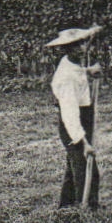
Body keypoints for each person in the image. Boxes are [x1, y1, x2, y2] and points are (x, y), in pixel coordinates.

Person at [47, 25, 103, 210]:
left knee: (73, 171)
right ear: (66, 49)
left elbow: (77, 73)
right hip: (73, 127)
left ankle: (65, 210)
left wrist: (88, 71)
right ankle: (88, 212)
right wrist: (83, 142)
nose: (81, 48)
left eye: (82, 43)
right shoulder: (65, 78)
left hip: (83, 118)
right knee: (87, 173)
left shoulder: (71, 65)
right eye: (75, 46)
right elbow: (69, 114)